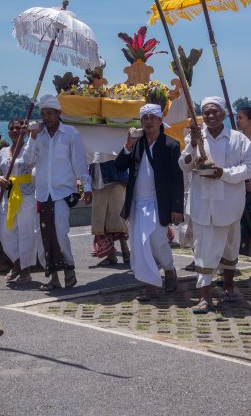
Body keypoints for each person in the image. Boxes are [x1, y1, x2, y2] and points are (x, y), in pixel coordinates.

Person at [179, 96, 251, 314]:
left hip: (230, 205)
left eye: (214, 111)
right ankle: (205, 296)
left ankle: (229, 287)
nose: (210, 115)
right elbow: (183, 166)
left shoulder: (238, 139)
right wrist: (192, 146)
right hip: (202, 204)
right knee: (203, 251)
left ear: (223, 113)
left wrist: (223, 173)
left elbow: (248, 168)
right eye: (206, 112)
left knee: (230, 249)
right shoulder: (196, 137)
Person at [22, 94, 92, 291]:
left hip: (62, 193)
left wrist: (85, 188)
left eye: (50, 113)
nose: (46, 117)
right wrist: (32, 137)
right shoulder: (38, 136)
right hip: (43, 193)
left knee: (60, 233)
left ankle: (69, 269)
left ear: (58, 113)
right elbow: (27, 161)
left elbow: (80, 163)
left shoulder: (71, 134)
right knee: (44, 235)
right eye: (43, 114)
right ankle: (53, 277)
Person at [115, 103, 184, 302]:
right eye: (144, 118)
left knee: (157, 241)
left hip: (158, 203)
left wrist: (176, 208)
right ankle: (151, 285)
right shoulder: (136, 144)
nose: (147, 121)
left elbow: (176, 179)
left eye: (151, 117)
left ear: (160, 121)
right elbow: (120, 165)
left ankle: (169, 269)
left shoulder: (170, 144)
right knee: (139, 245)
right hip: (137, 203)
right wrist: (127, 145)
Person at [0, 117, 44, 284]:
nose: (15, 131)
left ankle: (25, 270)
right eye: (12, 128)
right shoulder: (3, 152)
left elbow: (31, 160)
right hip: (8, 196)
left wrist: (32, 135)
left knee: (26, 234)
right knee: (6, 234)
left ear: (24, 130)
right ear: (8, 131)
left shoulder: (30, 148)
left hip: (26, 196)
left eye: (18, 128)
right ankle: (17, 264)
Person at [88, 152, 130, 266]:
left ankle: (125, 250)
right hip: (97, 181)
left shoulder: (111, 135)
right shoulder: (91, 138)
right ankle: (111, 255)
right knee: (100, 218)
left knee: (117, 216)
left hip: (116, 177)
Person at [236, 107, 251, 256]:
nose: (237, 121)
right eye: (237, 118)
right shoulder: (237, 141)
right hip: (241, 192)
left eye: (241, 118)